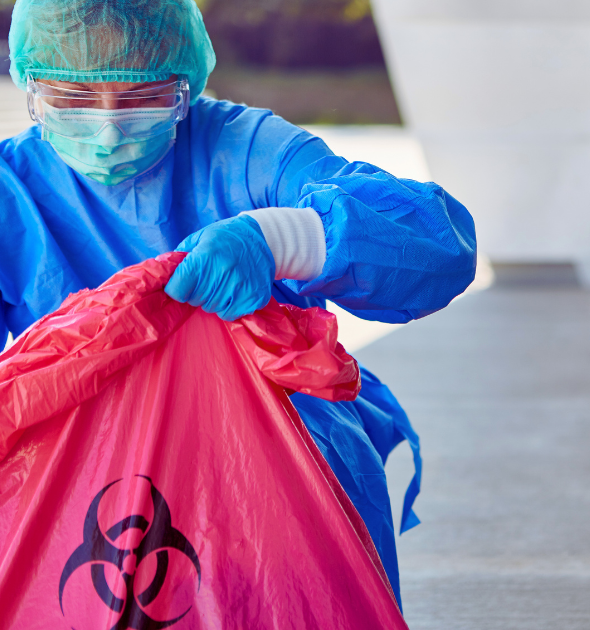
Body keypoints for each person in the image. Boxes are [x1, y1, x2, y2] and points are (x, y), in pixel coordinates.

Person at [1, 0, 476, 609]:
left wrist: (281, 238)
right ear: (31, 88)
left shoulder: (246, 150)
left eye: (144, 96)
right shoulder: (12, 191)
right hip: (79, 464)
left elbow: (438, 246)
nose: (109, 128)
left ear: (185, 83)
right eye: (73, 97)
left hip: (270, 455)